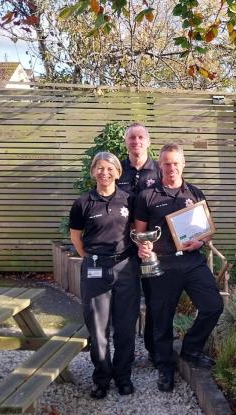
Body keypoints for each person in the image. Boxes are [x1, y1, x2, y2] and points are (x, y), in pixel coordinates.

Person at [133, 143, 224, 392]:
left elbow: (207, 232)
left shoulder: (195, 193)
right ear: (159, 165)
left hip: (192, 261)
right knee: (161, 318)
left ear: (183, 164)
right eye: (166, 163)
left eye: (176, 163)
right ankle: (164, 366)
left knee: (213, 306)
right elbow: (138, 233)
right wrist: (143, 248)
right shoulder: (147, 196)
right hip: (162, 265)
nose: (171, 168)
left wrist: (201, 241)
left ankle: (191, 350)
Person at [68, 152, 140, 399]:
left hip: (125, 268)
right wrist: (90, 257)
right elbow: (76, 237)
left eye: (110, 168)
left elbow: (137, 231)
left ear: (118, 173)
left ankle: (123, 376)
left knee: (126, 327)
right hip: (95, 269)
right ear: (93, 172)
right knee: (98, 329)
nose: (105, 172)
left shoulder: (129, 200)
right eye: (99, 168)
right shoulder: (83, 202)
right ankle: (101, 377)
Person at [116, 122, 161, 362]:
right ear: (126, 142)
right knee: (127, 302)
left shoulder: (160, 171)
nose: (136, 141)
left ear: (148, 141)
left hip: (151, 248)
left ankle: (154, 350)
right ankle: (126, 353)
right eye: (131, 138)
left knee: (155, 300)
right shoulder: (116, 170)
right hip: (123, 247)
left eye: (140, 137)